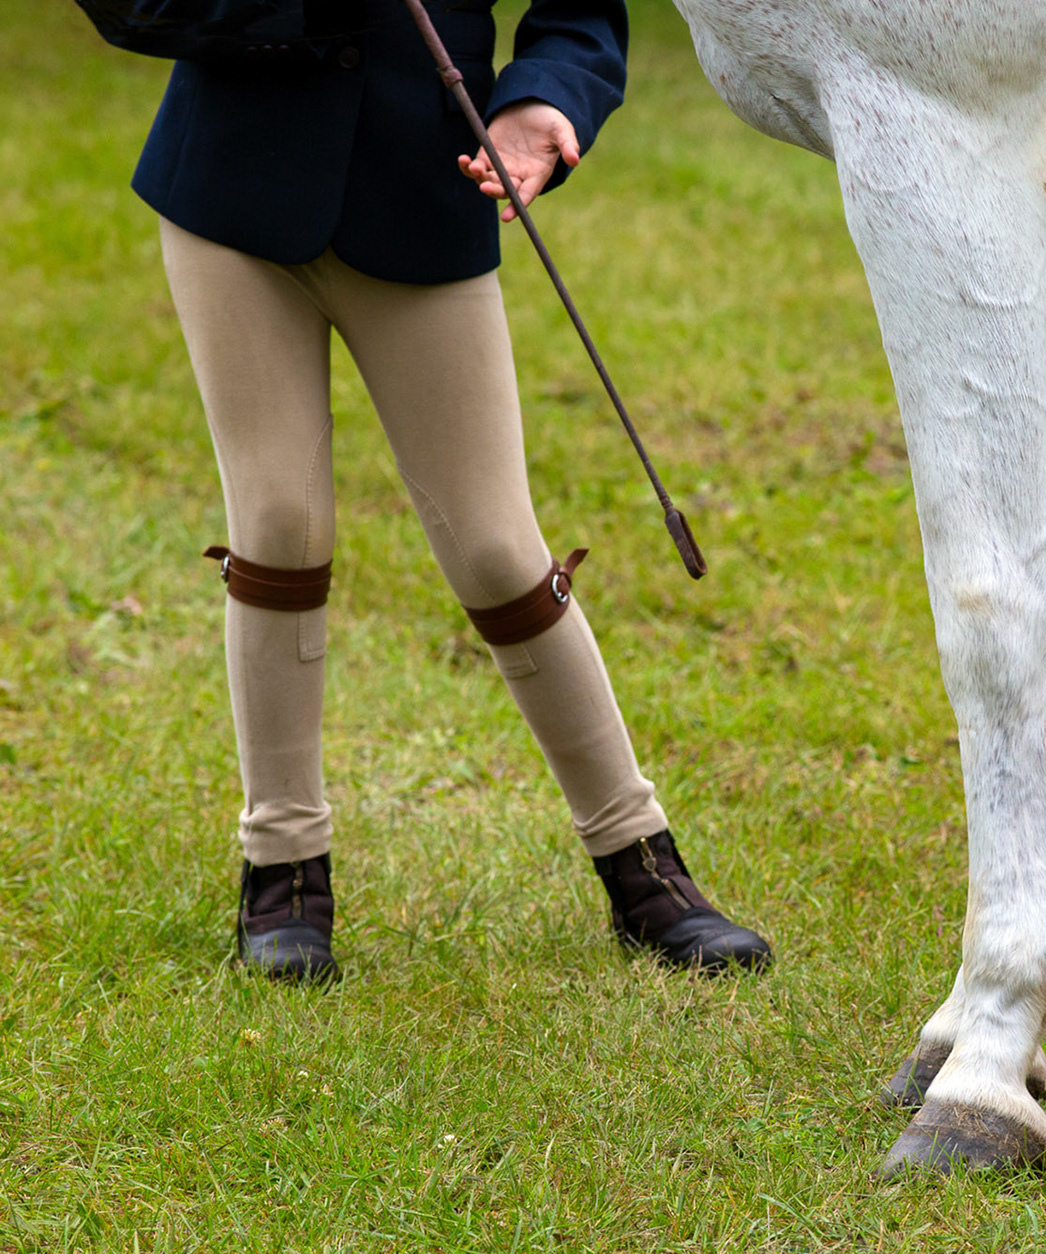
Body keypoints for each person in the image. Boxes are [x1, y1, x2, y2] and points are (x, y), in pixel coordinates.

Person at [119, 0, 771, 982]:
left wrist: (544, 98)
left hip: (423, 200)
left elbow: (581, 13)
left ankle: (642, 865)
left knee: (499, 549)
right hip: (233, 195)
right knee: (280, 524)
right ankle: (283, 868)